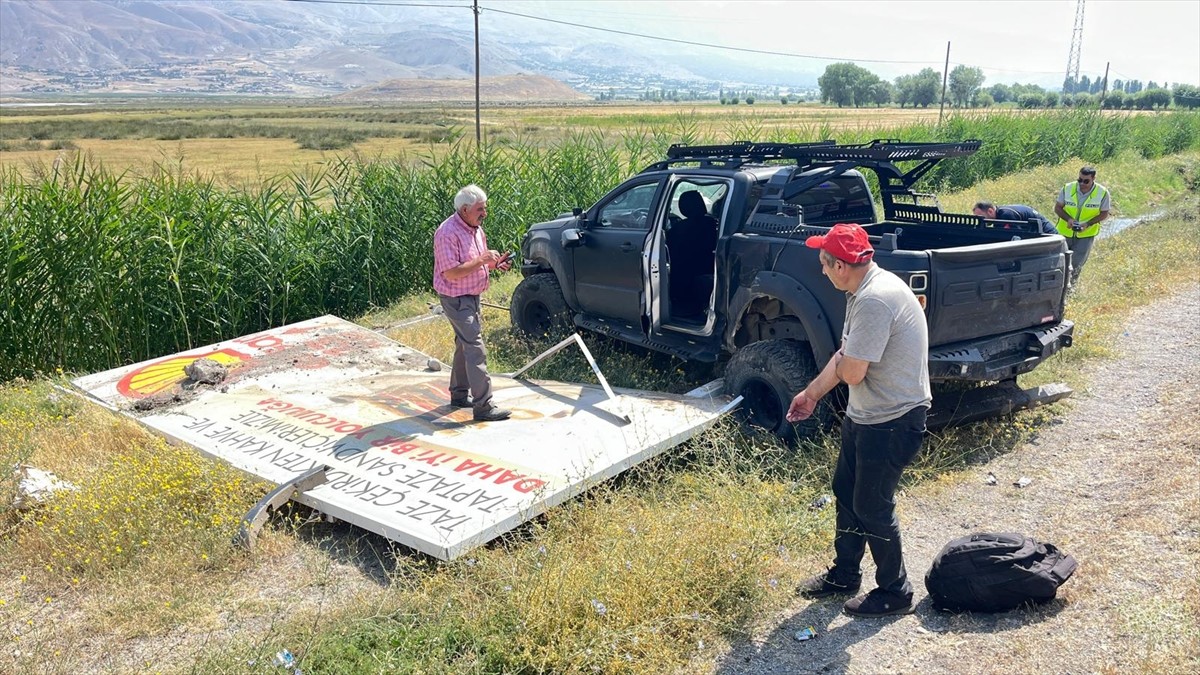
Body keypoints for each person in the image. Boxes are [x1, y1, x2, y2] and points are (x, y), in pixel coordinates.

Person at [786, 222, 931, 618]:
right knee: (846, 491)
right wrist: (810, 395)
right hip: (867, 415)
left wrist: (839, 374)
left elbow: (852, 372)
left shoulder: (874, 300)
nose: (821, 271)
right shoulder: (863, 289)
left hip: (892, 420)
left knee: (871, 504)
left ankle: (896, 592)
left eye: (823, 264)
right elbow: (844, 357)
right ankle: (844, 574)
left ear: (841, 266)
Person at [432, 184, 513, 422]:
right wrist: (481, 260)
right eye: (480, 209)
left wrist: (494, 264)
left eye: (484, 209)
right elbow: (451, 273)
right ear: (465, 209)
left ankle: (458, 395)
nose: (484, 214)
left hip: (471, 295)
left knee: (463, 345)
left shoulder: (474, 227)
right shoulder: (447, 232)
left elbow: (476, 262)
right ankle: (484, 407)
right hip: (456, 298)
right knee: (475, 348)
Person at [1053, 166, 1111, 283]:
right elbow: (1058, 208)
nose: (1082, 183)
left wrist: (1088, 224)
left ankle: (1070, 291)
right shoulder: (1068, 188)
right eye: (1080, 180)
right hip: (1064, 233)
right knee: (1058, 263)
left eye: (1086, 181)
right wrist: (1068, 219)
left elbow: (1104, 213)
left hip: (1085, 236)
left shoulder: (1102, 193)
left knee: (1076, 265)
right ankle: (1056, 289)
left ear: (1094, 178)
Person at [972, 201, 1056, 234]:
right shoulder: (1000, 215)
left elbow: (1016, 236)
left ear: (990, 211)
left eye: (982, 217)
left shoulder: (1006, 215)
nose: (981, 221)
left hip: (1048, 235)